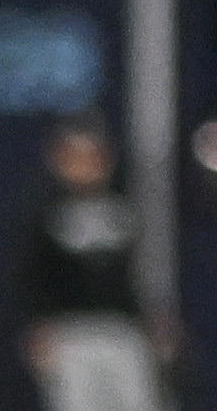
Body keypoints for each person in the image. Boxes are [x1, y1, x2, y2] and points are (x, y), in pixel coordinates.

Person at [24, 116, 175, 411]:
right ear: (59, 159)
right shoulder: (46, 213)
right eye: (75, 157)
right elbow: (33, 273)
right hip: (71, 333)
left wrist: (152, 319)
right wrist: (39, 325)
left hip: (123, 330)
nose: (85, 166)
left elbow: (140, 272)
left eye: (92, 156)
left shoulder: (125, 206)